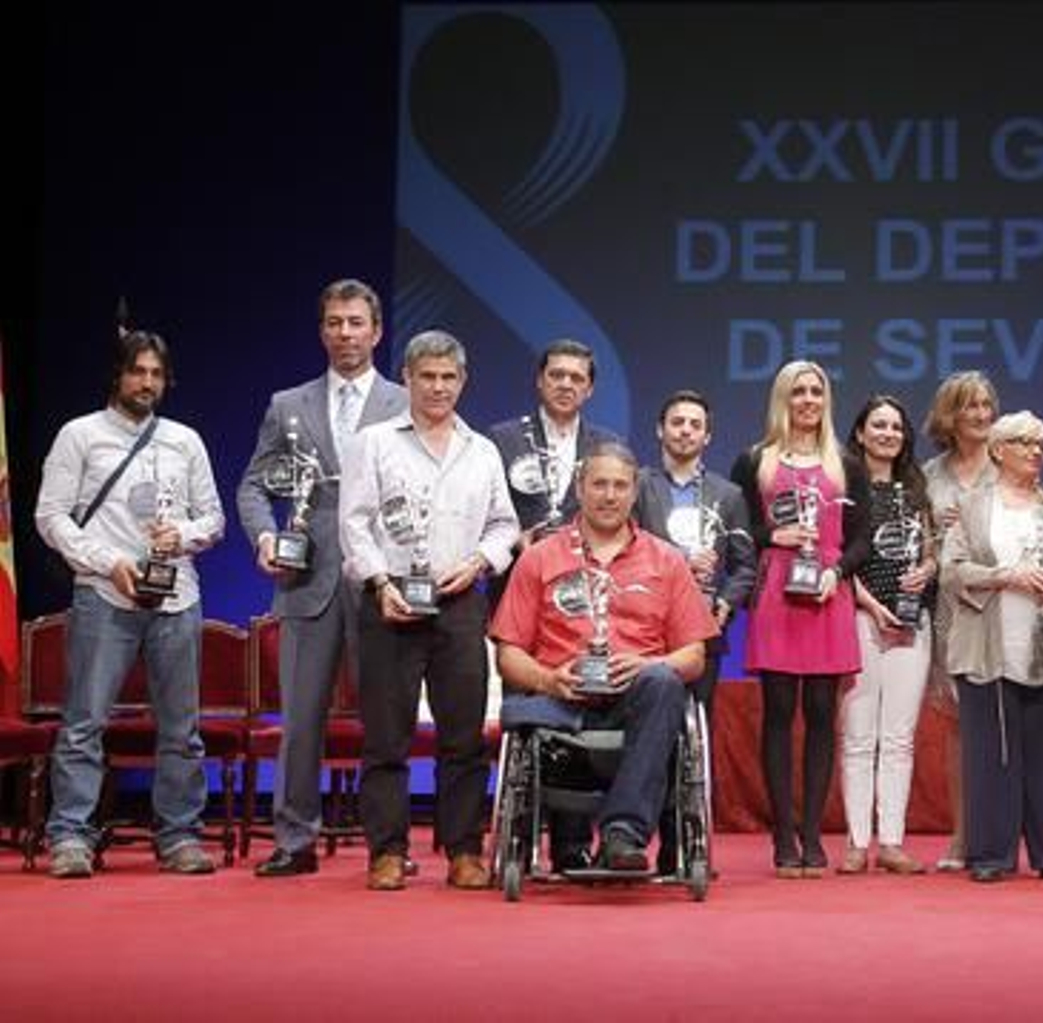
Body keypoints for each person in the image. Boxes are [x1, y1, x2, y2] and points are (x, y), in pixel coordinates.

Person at [35, 330, 225, 878]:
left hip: (176, 597)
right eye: (137, 371)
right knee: (84, 723)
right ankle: (70, 835)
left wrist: (182, 535)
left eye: (156, 374)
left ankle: (180, 835)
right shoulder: (80, 435)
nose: (147, 383)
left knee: (182, 730)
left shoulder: (185, 441)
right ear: (117, 375)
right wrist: (107, 561)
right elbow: (50, 516)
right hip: (104, 594)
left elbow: (213, 519)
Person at [236, 278, 407, 877]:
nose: (345, 333)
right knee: (301, 720)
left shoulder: (406, 402)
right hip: (305, 578)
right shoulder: (288, 404)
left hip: (381, 580)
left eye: (356, 322)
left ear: (376, 331)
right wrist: (265, 537)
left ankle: (389, 844)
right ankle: (294, 838)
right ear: (321, 332)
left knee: (386, 722)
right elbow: (254, 485)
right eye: (335, 322)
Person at [338, 330, 518, 892]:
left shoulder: (481, 450)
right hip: (390, 601)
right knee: (386, 737)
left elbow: (504, 524)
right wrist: (377, 581)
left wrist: (481, 562)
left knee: (464, 737)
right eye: (427, 377)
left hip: (460, 603)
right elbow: (353, 523)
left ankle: (463, 851)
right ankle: (387, 852)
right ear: (407, 379)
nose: (438, 387)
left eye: (448, 378)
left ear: (462, 381)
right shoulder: (373, 443)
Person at [491, 443, 719, 870]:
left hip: (638, 704)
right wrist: (548, 679)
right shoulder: (540, 558)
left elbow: (694, 656)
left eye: (619, 485)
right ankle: (572, 839)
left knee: (664, 682)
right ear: (580, 488)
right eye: (599, 484)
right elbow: (508, 654)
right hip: (561, 702)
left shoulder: (667, 560)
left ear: (634, 492)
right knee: (536, 708)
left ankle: (622, 834)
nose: (609, 495)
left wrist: (649, 665)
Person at [730, 360, 869, 878]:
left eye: (816, 391)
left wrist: (838, 571)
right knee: (779, 712)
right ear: (782, 399)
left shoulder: (845, 463)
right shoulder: (755, 461)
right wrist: (773, 536)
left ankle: (812, 835)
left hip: (828, 593)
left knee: (821, 713)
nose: (808, 400)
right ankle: (783, 836)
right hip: (778, 595)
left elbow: (862, 536)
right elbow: (738, 531)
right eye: (798, 392)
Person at [941, 410, 1043, 883]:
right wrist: (1006, 576)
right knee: (992, 755)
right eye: (1024, 442)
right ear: (998, 450)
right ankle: (990, 855)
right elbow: (952, 571)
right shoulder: (973, 505)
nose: (1035, 452)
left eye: (1041, 444)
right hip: (989, 645)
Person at [837, 395, 937, 875]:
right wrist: (870, 606)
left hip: (912, 622)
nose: (888, 434)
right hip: (860, 617)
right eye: (878, 425)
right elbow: (837, 556)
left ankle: (892, 842)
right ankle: (857, 842)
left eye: (896, 427)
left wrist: (928, 569)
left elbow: (932, 549)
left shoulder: (918, 489)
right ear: (860, 433)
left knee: (899, 737)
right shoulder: (844, 489)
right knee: (859, 736)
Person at [632, 390, 757, 728]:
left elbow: (745, 566)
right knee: (645, 723)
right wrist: (681, 560)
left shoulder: (729, 495)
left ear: (707, 436)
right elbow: (625, 549)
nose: (686, 430)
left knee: (699, 725)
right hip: (645, 625)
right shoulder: (636, 486)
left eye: (695, 424)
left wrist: (726, 604)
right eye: (677, 422)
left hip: (704, 625)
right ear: (660, 430)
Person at [920, 370, 999, 872]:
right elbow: (916, 547)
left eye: (987, 404)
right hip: (950, 612)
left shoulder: (1009, 463)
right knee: (958, 729)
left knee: (1004, 723)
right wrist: (935, 532)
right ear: (950, 414)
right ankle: (963, 836)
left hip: (1002, 606)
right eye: (971, 405)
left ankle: (1003, 834)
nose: (982, 414)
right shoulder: (928, 475)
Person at [487, 339, 621, 556]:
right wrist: (514, 540)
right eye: (557, 375)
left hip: (586, 568)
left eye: (577, 378)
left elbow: (619, 515)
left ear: (589, 389)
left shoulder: (608, 445)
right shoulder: (502, 439)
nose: (566, 385)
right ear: (540, 380)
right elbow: (485, 515)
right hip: (519, 566)